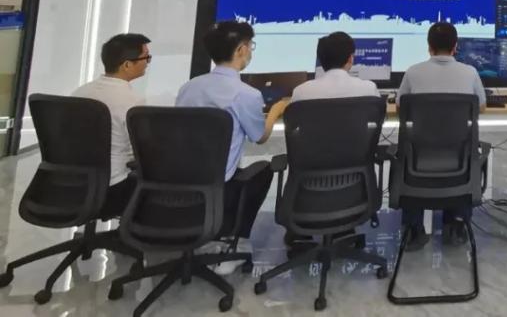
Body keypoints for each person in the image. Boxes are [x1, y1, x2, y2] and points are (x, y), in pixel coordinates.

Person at [175, 20, 273, 274]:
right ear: (241, 49)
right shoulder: (246, 94)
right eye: (250, 46)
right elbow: (259, 136)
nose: (250, 51)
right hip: (220, 187)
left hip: (179, 182)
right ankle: (233, 241)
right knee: (263, 170)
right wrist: (277, 111)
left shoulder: (189, 87)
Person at [395, 22, 486, 249]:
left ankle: (413, 227)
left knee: (406, 152)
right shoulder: (470, 72)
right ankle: (456, 222)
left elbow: (400, 106)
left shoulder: (413, 72)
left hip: (419, 161)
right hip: (458, 161)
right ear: (455, 47)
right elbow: (481, 106)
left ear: (429, 47)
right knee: (466, 150)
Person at [71, 33, 151, 219]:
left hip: (70, 183)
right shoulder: (132, 101)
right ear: (127, 65)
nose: (148, 62)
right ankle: (132, 233)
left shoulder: (79, 92)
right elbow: (140, 150)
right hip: (112, 189)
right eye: (146, 57)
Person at [264, 32, 379, 127]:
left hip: (312, 149)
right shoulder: (369, 89)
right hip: (356, 149)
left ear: (320, 59)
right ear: (350, 59)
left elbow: (293, 125)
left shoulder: (300, 92)